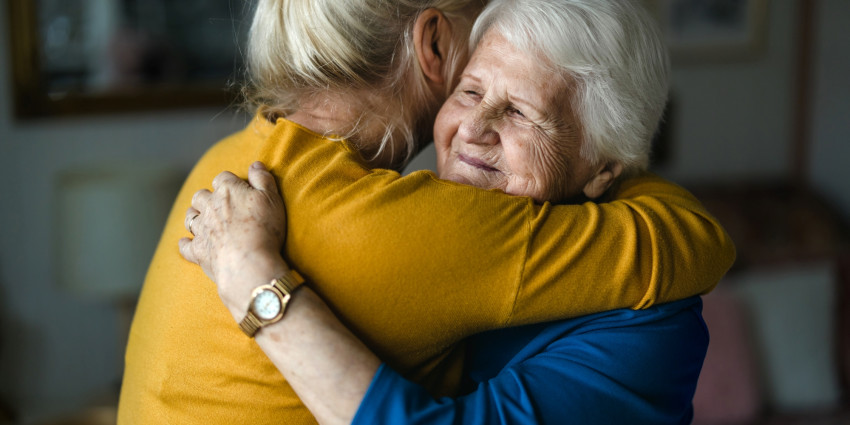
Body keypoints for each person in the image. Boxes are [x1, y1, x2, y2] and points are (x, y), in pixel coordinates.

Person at [119, 0, 735, 424]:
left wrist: (256, 281)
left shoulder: (226, 161)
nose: (474, 128)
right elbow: (694, 241)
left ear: (604, 169)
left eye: (522, 113)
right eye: (470, 89)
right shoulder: (406, 224)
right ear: (434, 42)